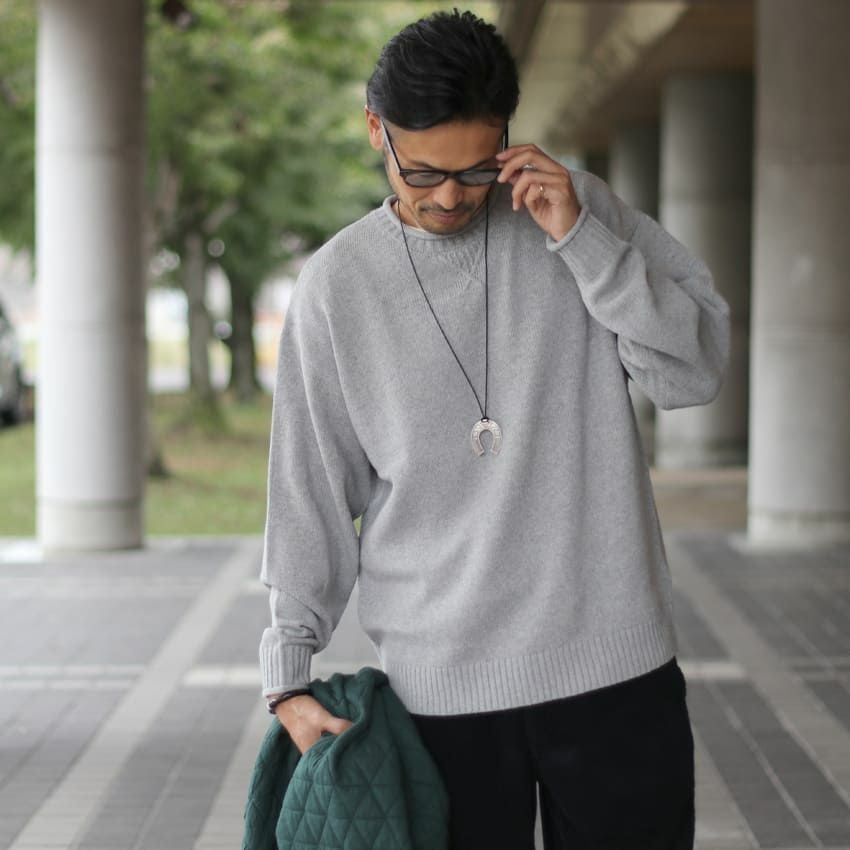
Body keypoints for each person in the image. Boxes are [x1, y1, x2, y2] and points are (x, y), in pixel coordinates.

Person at [258, 9, 730, 850]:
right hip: (441, 695)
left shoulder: (578, 213)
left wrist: (582, 243)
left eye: (477, 170)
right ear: (375, 130)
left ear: (508, 136)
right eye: (423, 172)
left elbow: (693, 373)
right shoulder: (338, 285)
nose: (449, 196)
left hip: (615, 670)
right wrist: (288, 674)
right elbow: (309, 486)